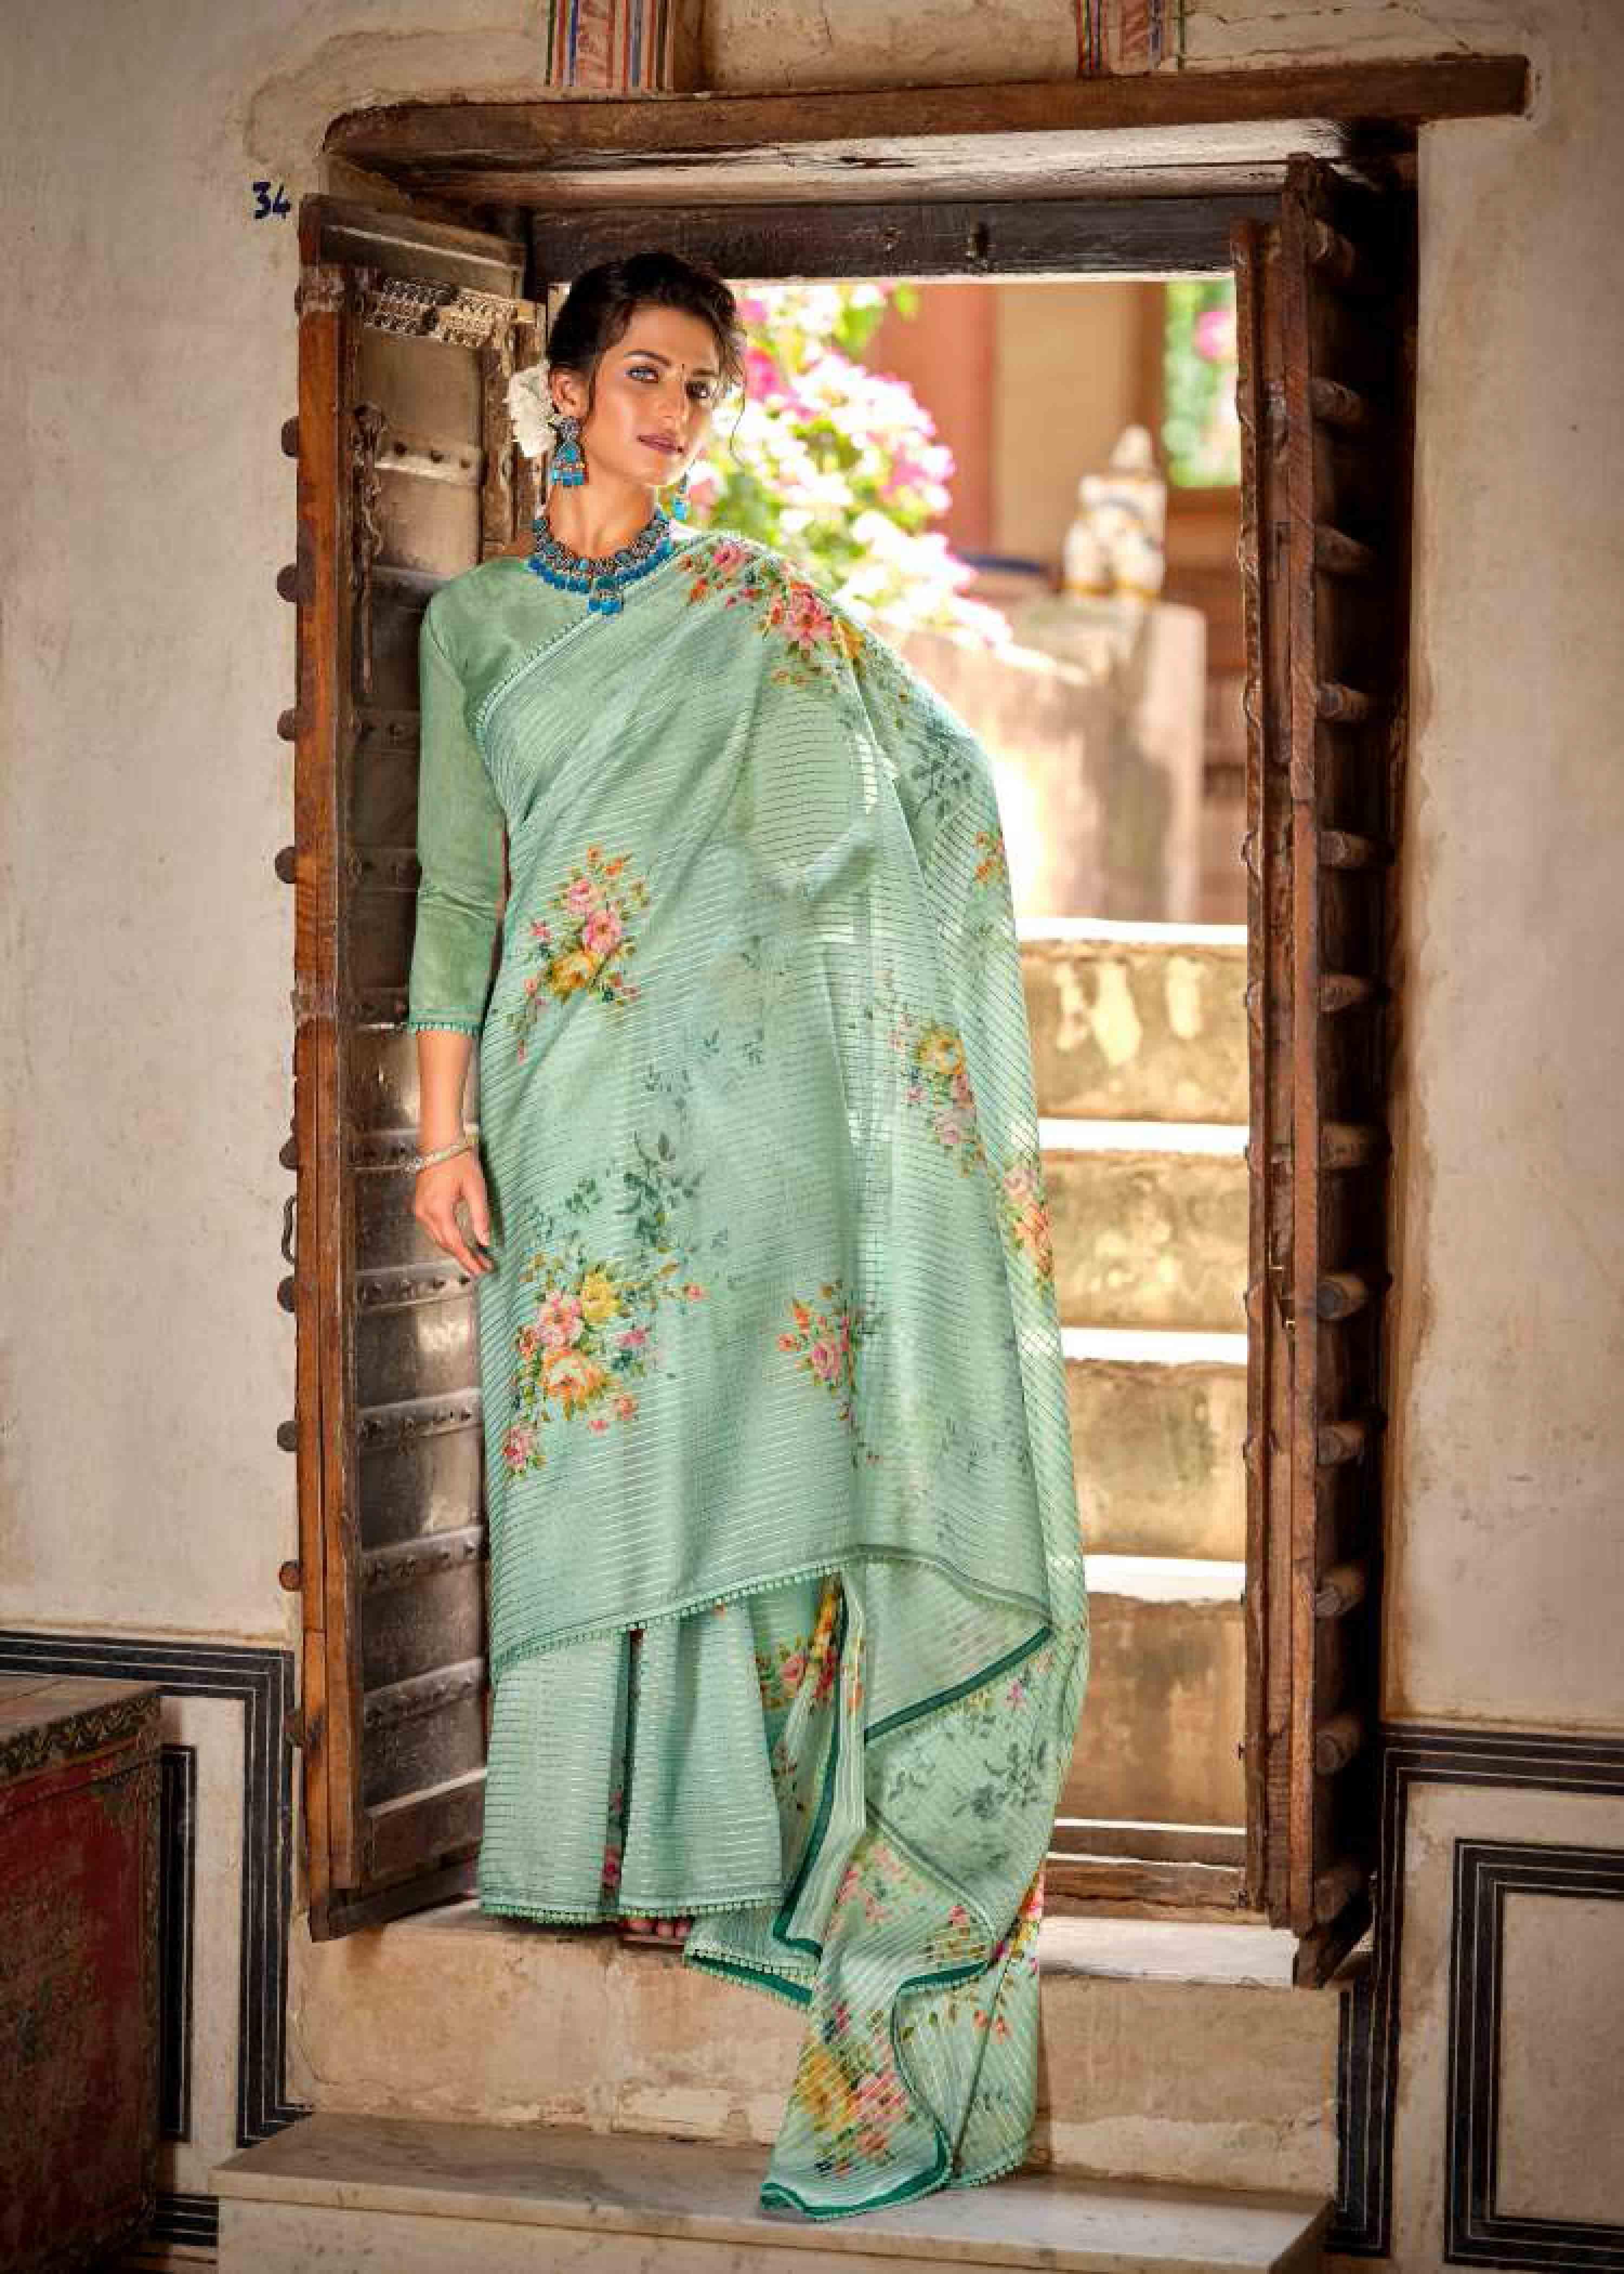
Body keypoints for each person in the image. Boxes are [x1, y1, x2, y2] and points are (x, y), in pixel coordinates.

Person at [407, 250, 1089, 2223]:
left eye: (702, 388)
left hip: (746, 1116)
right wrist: (441, 1137)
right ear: (559, 388)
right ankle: (596, 1846)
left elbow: (891, 815)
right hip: (562, 1100)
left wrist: (835, 805)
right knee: (594, 1464)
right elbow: (466, 899)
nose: (676, 418)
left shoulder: (760, 618)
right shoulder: (476, 630)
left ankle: (729, 1864)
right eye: (643, 376)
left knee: (753, 1465)